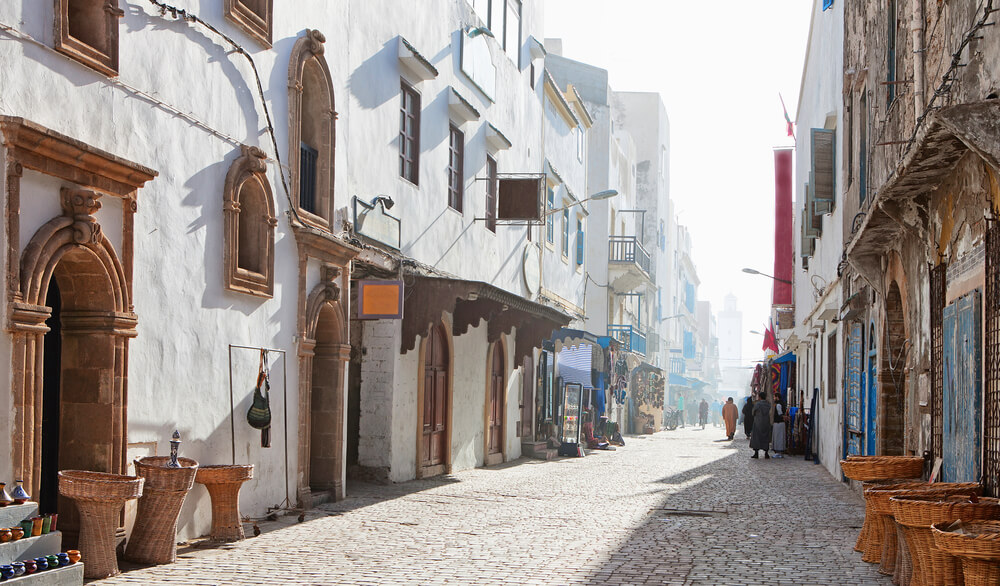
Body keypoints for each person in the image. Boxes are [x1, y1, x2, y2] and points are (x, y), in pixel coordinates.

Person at [750, 394, 772, 459]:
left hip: (758, 423)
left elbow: (753, 412)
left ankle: (756, 453)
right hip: (766, 423)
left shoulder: (758, 404)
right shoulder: (768, 404)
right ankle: (766, 453)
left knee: (756, 438)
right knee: (766, 437)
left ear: (759, 397)